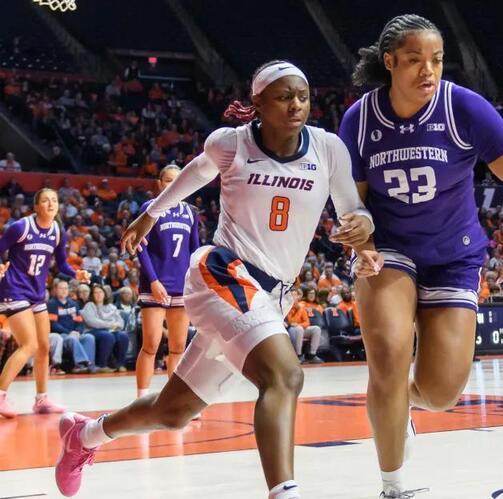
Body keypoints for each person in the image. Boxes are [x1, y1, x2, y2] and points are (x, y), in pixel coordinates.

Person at [54, 60, 378, 499]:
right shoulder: (231, 143)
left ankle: (83, 435)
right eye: (284, 96)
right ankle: (284, 492)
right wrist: (152, 213)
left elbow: (351, 209)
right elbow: (197, 170)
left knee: (174, 411)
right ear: (258, 102)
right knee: (284, 377)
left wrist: (362, 236)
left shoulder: (328, 148)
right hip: (224, 272)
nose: (296, 105)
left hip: (272, 295)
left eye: (303, 96)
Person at [341, 15, 503, 498]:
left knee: (441, 393)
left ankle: (399, 406)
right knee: (389, 359)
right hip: (388, 249)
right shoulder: (360, 119)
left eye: (436, 59)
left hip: (455, 254)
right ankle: (393, 486)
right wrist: (361, 245)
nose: (428, 70)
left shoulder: (464, 107)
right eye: (415, 60)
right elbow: (352, 202)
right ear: (390, 62)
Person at [0, 189, 90, 418]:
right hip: (14, 290)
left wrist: (76, 274)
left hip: (36, 293)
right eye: (45, 200)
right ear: (36, 206)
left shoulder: (57, 231)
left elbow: (62, 264)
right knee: (28, 345)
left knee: (43, 346)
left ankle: (42, 399)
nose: (50, 204)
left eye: (54, 200)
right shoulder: (21, 227)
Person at [134, 164, 200, 397]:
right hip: (155, 284)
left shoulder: (191, 212)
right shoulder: (149, 208)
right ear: (159, 184)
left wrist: (195, 283)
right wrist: (153, 280)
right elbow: (140, 247)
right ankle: (141, 399)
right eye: (168, 180)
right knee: (151, 345)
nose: (173, 184)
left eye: (177, 180)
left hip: (181, 286)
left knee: (178, 347)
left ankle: (174, 401)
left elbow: (195, 249)